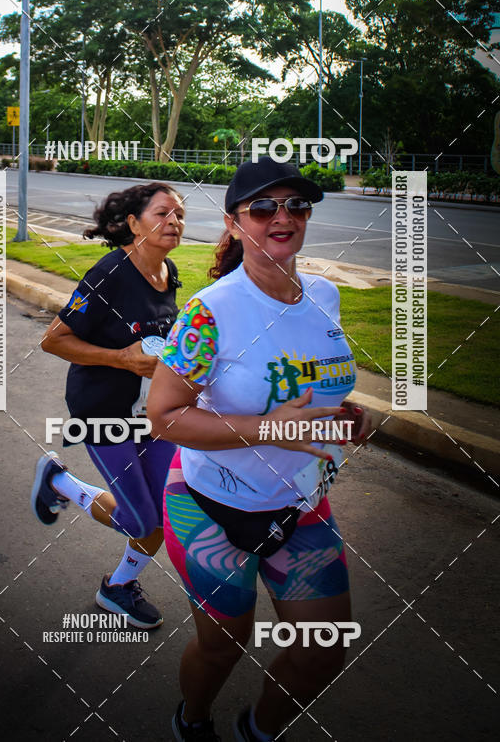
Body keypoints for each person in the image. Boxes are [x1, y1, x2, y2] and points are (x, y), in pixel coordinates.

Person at [148, 156, 371, 742]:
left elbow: (319, 393)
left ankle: (258, 731)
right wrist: (269, 427)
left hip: (299, 505)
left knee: (322, 650)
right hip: (209, 507)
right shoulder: (210, 312)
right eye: (264, 207)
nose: (283, 216)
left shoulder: (323, 294)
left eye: (297, 205)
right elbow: (164, 417)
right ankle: (192, 720)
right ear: (233, 221)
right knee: (224, 646)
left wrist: (350, 419)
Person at [30, 182, 186, 629]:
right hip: (101, 411)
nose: (173, 221)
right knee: (139, 518)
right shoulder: (110, 273)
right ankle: (60, 483)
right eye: (162, 213)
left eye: (178, 214)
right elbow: (53, 339)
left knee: (163, 515)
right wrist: (121, 359)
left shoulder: (169, 271)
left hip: (148, 413)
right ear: (133, 224)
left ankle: (117, 587)